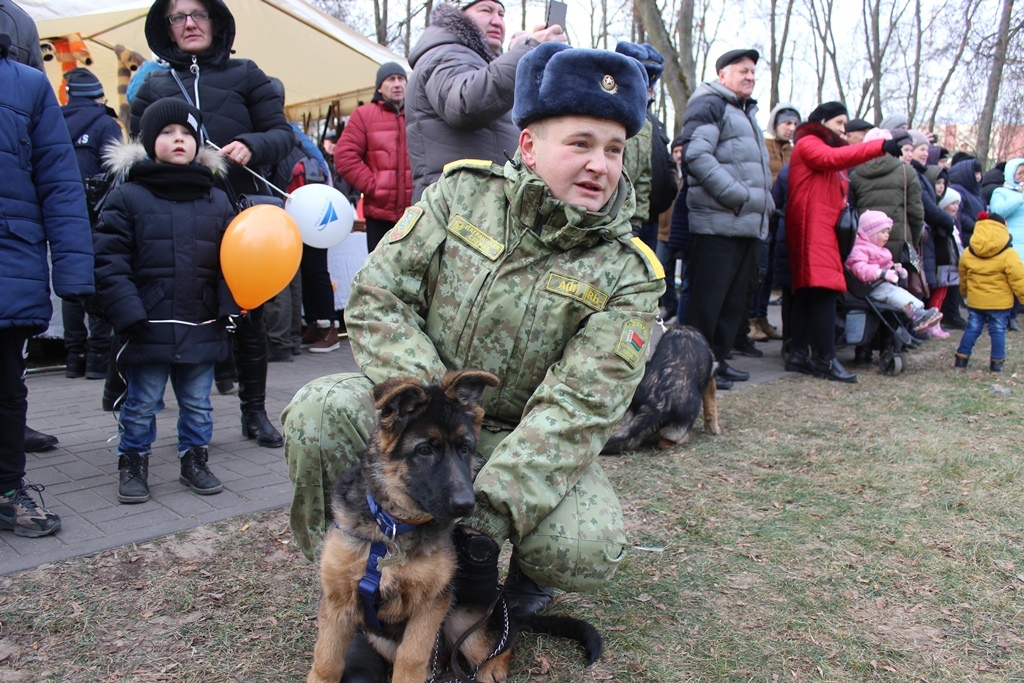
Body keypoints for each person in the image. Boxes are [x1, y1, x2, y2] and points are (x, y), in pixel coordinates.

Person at [283, 43, 662, 631]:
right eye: (581, 144)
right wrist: (432, 408)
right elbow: (379, 294)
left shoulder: (629, 274)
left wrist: (484, 517)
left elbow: (583, 404)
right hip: (420, 417)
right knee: (318, 410)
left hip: (517, 435)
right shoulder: (460, 196)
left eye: (614, 150)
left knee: (587, 546)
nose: (600, 165)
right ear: (530, 146)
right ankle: (352, 586)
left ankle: (513, 588)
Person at [130, 0, 295, 448]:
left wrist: (251, 145)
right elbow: (136, 150)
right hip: (174, 220)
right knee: (180, 316)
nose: (189, 23)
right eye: (178, 17)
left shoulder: (246, 74)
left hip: (238, 218)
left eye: (198, 14)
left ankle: (254, 412)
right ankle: (179, 424)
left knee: (247, 316)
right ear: (165, 28)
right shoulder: (153, 85)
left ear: (216, 21)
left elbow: (283, 134)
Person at [94, 99, 237, 504]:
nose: (179, 140)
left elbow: (235, 261)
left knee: (198, 404)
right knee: (141, 403)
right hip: (147, 324)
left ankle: (195, 459)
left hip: (201, 320)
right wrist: (128, 312)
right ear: (148, 141)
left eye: (187, 134)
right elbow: (109, 261)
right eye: (168, 133)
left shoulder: (218, 200)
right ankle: (132, 461)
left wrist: (229, 305)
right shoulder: (128, 197)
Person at [1, 31, 95, 537]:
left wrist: (74, 270)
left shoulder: (26, 85)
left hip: (8, 256)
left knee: (6, 386)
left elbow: (59, 181)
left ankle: (8, 489)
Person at [784, 102, 909, 382]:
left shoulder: (817, 147)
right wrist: (879, 146)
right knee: (826, 291)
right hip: (813, 228)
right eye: (840, 123)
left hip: (817, 227)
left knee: (808, 293)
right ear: (823, 121)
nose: (844, 129)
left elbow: (839, 160)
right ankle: (825, 360)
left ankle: (799, 354)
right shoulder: (809, 143)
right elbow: (833, 159)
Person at [405, 0, 566, 202]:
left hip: (475, 205)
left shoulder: (472, 58)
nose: (497, 21)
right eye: (486, 10)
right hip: (456, 209)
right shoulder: (443, 52)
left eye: (501, 14)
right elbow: (465, 104)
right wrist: (529, 50)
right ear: (457, 14)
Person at [679, 48, 774, 389]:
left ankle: (716, 365)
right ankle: (693, 368)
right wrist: (738, 196)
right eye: (742, 70)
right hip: (718, 223)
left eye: (752, 72)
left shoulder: (745, 112)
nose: (749, 76)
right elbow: (696, 154)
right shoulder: (711, 103)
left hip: (744, 225)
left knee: (731, 304)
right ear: (722, 75)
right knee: (708, 302)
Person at [59, 67, 123, 381]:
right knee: (100, 282)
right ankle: (98, 358)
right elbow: (116, 174)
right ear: (98, 96)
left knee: (71, 285)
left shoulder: (53, 121)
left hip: (61, 215)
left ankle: (74, 357)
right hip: (98, 215)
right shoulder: (104, 124)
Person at [334, 62, 413, 254]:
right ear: (379, 87)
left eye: (401, 79)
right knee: (379, 277)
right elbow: (344, 155)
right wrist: (373, 186)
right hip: (379, 213)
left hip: (416, 213)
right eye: (390, 79)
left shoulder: (419, 114)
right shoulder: (364, 115)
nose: (397, 84)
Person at [751, 103, 800, 343]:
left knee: (770, 273)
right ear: (775, 124)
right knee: (759, 272)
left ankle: (762, 318)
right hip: (764, 216)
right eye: (787, 123)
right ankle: (751, 321)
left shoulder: (794, 150)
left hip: (782, 219)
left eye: (794, 124)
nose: (791, 128)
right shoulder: (763, 145)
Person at [845, 210, 943, 331]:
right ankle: (916, 315)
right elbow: (859, 268)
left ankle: (920, 312)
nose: (887, 235)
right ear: (870, 233)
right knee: (894, 294)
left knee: (898, 292)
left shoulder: (879, 250)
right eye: (883, 232)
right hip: (868, 288)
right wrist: (881, 272)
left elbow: (886, 264)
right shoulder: (859, 249)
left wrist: (895, 269)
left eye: (888, 232)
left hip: (880, 285)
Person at [954, 213, 1024, 372]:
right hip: (1000, 303)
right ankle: (996, 363)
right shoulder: (1009, 254)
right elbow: (1019, 279)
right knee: (998, 331)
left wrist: (964, 292)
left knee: (972, 328)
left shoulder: (968, 252)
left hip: (975, 301)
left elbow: (964, 277)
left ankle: (961, 358)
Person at [849, 128, 924, 265]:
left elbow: (851, 214)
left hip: (865, 252)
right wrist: (913, 241)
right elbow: (916, 214)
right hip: (900, 249)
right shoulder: (906, 172)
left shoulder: (854, 175)